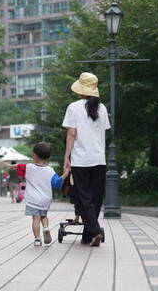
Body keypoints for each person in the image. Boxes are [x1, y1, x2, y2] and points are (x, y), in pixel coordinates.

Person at [62, 72, 111, 247]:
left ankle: (95, 231)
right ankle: (88, 235)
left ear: (80, 89)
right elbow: (102, 132)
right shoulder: (102, 108)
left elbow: (72, 133)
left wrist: (67, 157)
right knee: (96, 198)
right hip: (99, 159)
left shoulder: (73, 107)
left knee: (84, 198)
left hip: (81, 160)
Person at [9, 142, 70, 246]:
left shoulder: (29, 167)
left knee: (35, 218)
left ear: (35, 156)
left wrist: (10, 165)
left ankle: (37, 239)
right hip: (45, 199)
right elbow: (57, 183)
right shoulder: (50, 171)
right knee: (43, 216)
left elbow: (19, 167)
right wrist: (66, 173)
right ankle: (45, 227)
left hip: (33, 200)